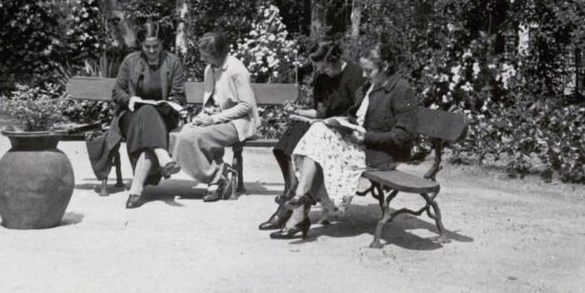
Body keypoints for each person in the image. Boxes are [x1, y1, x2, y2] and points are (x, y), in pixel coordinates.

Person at [270, 41, 418, 239]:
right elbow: (358, 115)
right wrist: (344, 124)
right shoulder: (370, 86)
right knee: (319, 130)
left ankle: (299, 207)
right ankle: (300, 200)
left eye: (368, 70)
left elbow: (404, 136)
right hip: (361, 144)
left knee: (320, 142)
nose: (363, 75)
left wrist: (366, 136)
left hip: (381, 154)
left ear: (386, 67)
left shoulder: (401, 90)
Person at [258, 39, 364, 230]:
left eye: (324, 67)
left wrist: (340, 123)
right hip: (324, 127)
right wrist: (297, 111)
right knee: (292, 134)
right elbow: (320, 113)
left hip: (346, 134)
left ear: (334, 59)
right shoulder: (322, 79)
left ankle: (289, 206)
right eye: (319, 68)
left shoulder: (355, 74)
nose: (322, 71)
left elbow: (360, 114)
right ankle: (291, 192)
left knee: (312, 134)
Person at [103, 21, 187, 209]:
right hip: (131, 116)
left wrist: (171, 103)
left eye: (155, 46)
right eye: (146, 46)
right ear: (141, 45)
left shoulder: (173, 62)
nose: (151, 50)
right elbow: (117, 91)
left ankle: (136, 188)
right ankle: (163, 157)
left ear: (162, 43)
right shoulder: (130, 61)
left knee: (150, 122)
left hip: (163, 117)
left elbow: (180, 95)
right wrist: (129, 100)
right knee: (147, 112)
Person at [172, 31, 260, 202]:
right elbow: (211, 101)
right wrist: (202, 116)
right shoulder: (209, 69)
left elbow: (245, 106)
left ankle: (216, 180)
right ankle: (219, 176)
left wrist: (213, 119)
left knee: (196, 137)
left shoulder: (236, 70)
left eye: (205, 55)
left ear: (217, 53)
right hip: (217, 119)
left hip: (238, 123)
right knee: (178, 135)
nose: (202, 59)